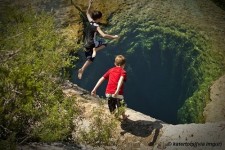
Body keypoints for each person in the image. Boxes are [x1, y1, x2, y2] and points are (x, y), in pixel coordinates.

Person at [78, 0, 119, 79]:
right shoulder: (97, 26)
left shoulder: (90, 21)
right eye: (101, 18)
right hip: (92, 44)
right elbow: (103, 35)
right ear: (99, 18)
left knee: (90, 58)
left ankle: (82, 69)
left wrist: (89, 4)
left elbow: (87, 13)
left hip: (86, 43)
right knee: (104, 44)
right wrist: (114, 37)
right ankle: (95, 50)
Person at [91, 55, 128, 120]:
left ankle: (114, 117)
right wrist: (117, 91)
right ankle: (124, 116)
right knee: (121, 104)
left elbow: (101, 79)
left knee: (111, 106)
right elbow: (120, 80)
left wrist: (94, 89)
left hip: (108, 92)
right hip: (117, 93)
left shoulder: (110, 70)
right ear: (124, 65)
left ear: (115, 63)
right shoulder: (123, 72)